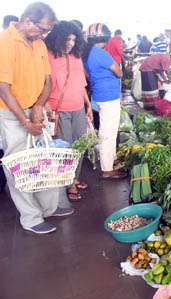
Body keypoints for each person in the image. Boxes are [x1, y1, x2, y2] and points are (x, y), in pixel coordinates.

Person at [0, 2, 75, 234]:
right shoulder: (5, 43)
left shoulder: (39, 44)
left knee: (44, 160)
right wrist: (25, 121)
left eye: (48, 30)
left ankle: (47, 208)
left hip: (35, 109)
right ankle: (31, 217)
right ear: (28, 21)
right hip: (12, 115)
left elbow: (48, 81)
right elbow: (3, 88)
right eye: (43, 29)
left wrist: (40, 105)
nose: (45, 34)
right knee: (19, 165)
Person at [45, 20, 92, 202]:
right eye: (67, 39)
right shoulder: (48, 56)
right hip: (59, 111)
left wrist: (87, 105)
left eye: (73, 40)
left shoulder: (76, 56)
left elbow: (80, 84)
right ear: (57, 38)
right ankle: (69, 183)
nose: (70, 43)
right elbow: (43, 85)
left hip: (78, 108)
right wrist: (47, 108)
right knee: (66, 149)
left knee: (79, 147)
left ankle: (73, 177)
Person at [83, 23, 125, 180]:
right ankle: (107, 169)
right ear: (105, 38)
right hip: (109, 97)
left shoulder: (86, 54)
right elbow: (119, 72)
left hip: (98, 95)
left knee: (107, 130)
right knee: (108, 132)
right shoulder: (100, 53)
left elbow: (86, 76)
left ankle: (110, 160)